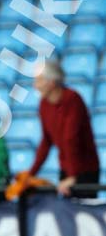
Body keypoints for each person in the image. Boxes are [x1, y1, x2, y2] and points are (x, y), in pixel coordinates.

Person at [29, 59, 100, 198]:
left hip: (85, 169)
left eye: (39, 81)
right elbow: (46, 141)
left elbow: (70, 138)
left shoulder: (73, 99)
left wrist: (73, 176)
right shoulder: (44, 104)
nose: (35, 85)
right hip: (66, 169)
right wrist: (31, 173)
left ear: (51, 82)